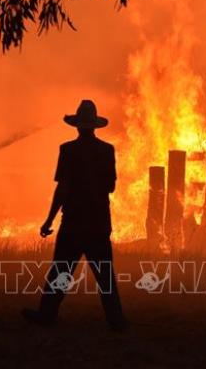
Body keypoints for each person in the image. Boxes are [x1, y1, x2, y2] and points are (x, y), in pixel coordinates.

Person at [21, 99, 127, 331]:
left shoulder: (67, 150)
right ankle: (116, 321)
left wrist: (49, 220)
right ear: (94, 126)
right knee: (105, 274)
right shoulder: (107, 150)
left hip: (73, 222)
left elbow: (63, 188)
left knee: (61, 270)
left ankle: (46, 314)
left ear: (78, 126)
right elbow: (111, 187)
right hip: (99, 221)